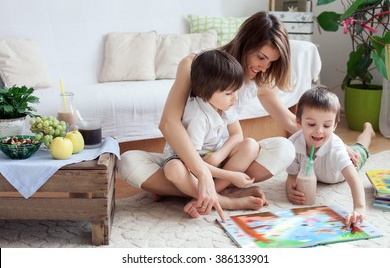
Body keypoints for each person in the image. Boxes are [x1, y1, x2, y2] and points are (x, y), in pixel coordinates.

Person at [118, 11, 300, 221]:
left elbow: (288, 120)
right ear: (245, 42)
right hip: (190, 158)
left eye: (270, 63)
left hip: (223, 159)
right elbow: (169, 123)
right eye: (261, 57)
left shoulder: (259, 76)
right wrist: (203, 172)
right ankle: (222, 196)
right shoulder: (195, 65)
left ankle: (191, 191)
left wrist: (333, 142)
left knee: (285, 148)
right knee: (128, 162)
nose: (263, 67)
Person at [163, 50, 261, 217]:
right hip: (189, 162)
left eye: (236, 90)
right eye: (229, 93)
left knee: (251, 145)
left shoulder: (225, 106)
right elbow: (190, 162)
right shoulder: (198, 118)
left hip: (211, 158)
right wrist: (230, 175)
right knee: (174, 169)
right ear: (204, 92)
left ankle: (208, 195)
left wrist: (218, 156)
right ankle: (226, 201)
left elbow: (237, 135)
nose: (235, 98)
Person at [285, 86, 375, 229]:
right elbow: (291, 175)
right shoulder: (293, 145)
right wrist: (290, 190)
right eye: (311, 124)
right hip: (318, 175)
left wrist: (359, 208)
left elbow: (354, 180)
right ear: (298, 122)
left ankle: (368, 131)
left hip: (342, 171)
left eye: (327, 125)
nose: (319, 130)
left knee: (360, 149)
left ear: (334, 125)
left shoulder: (337, 150)